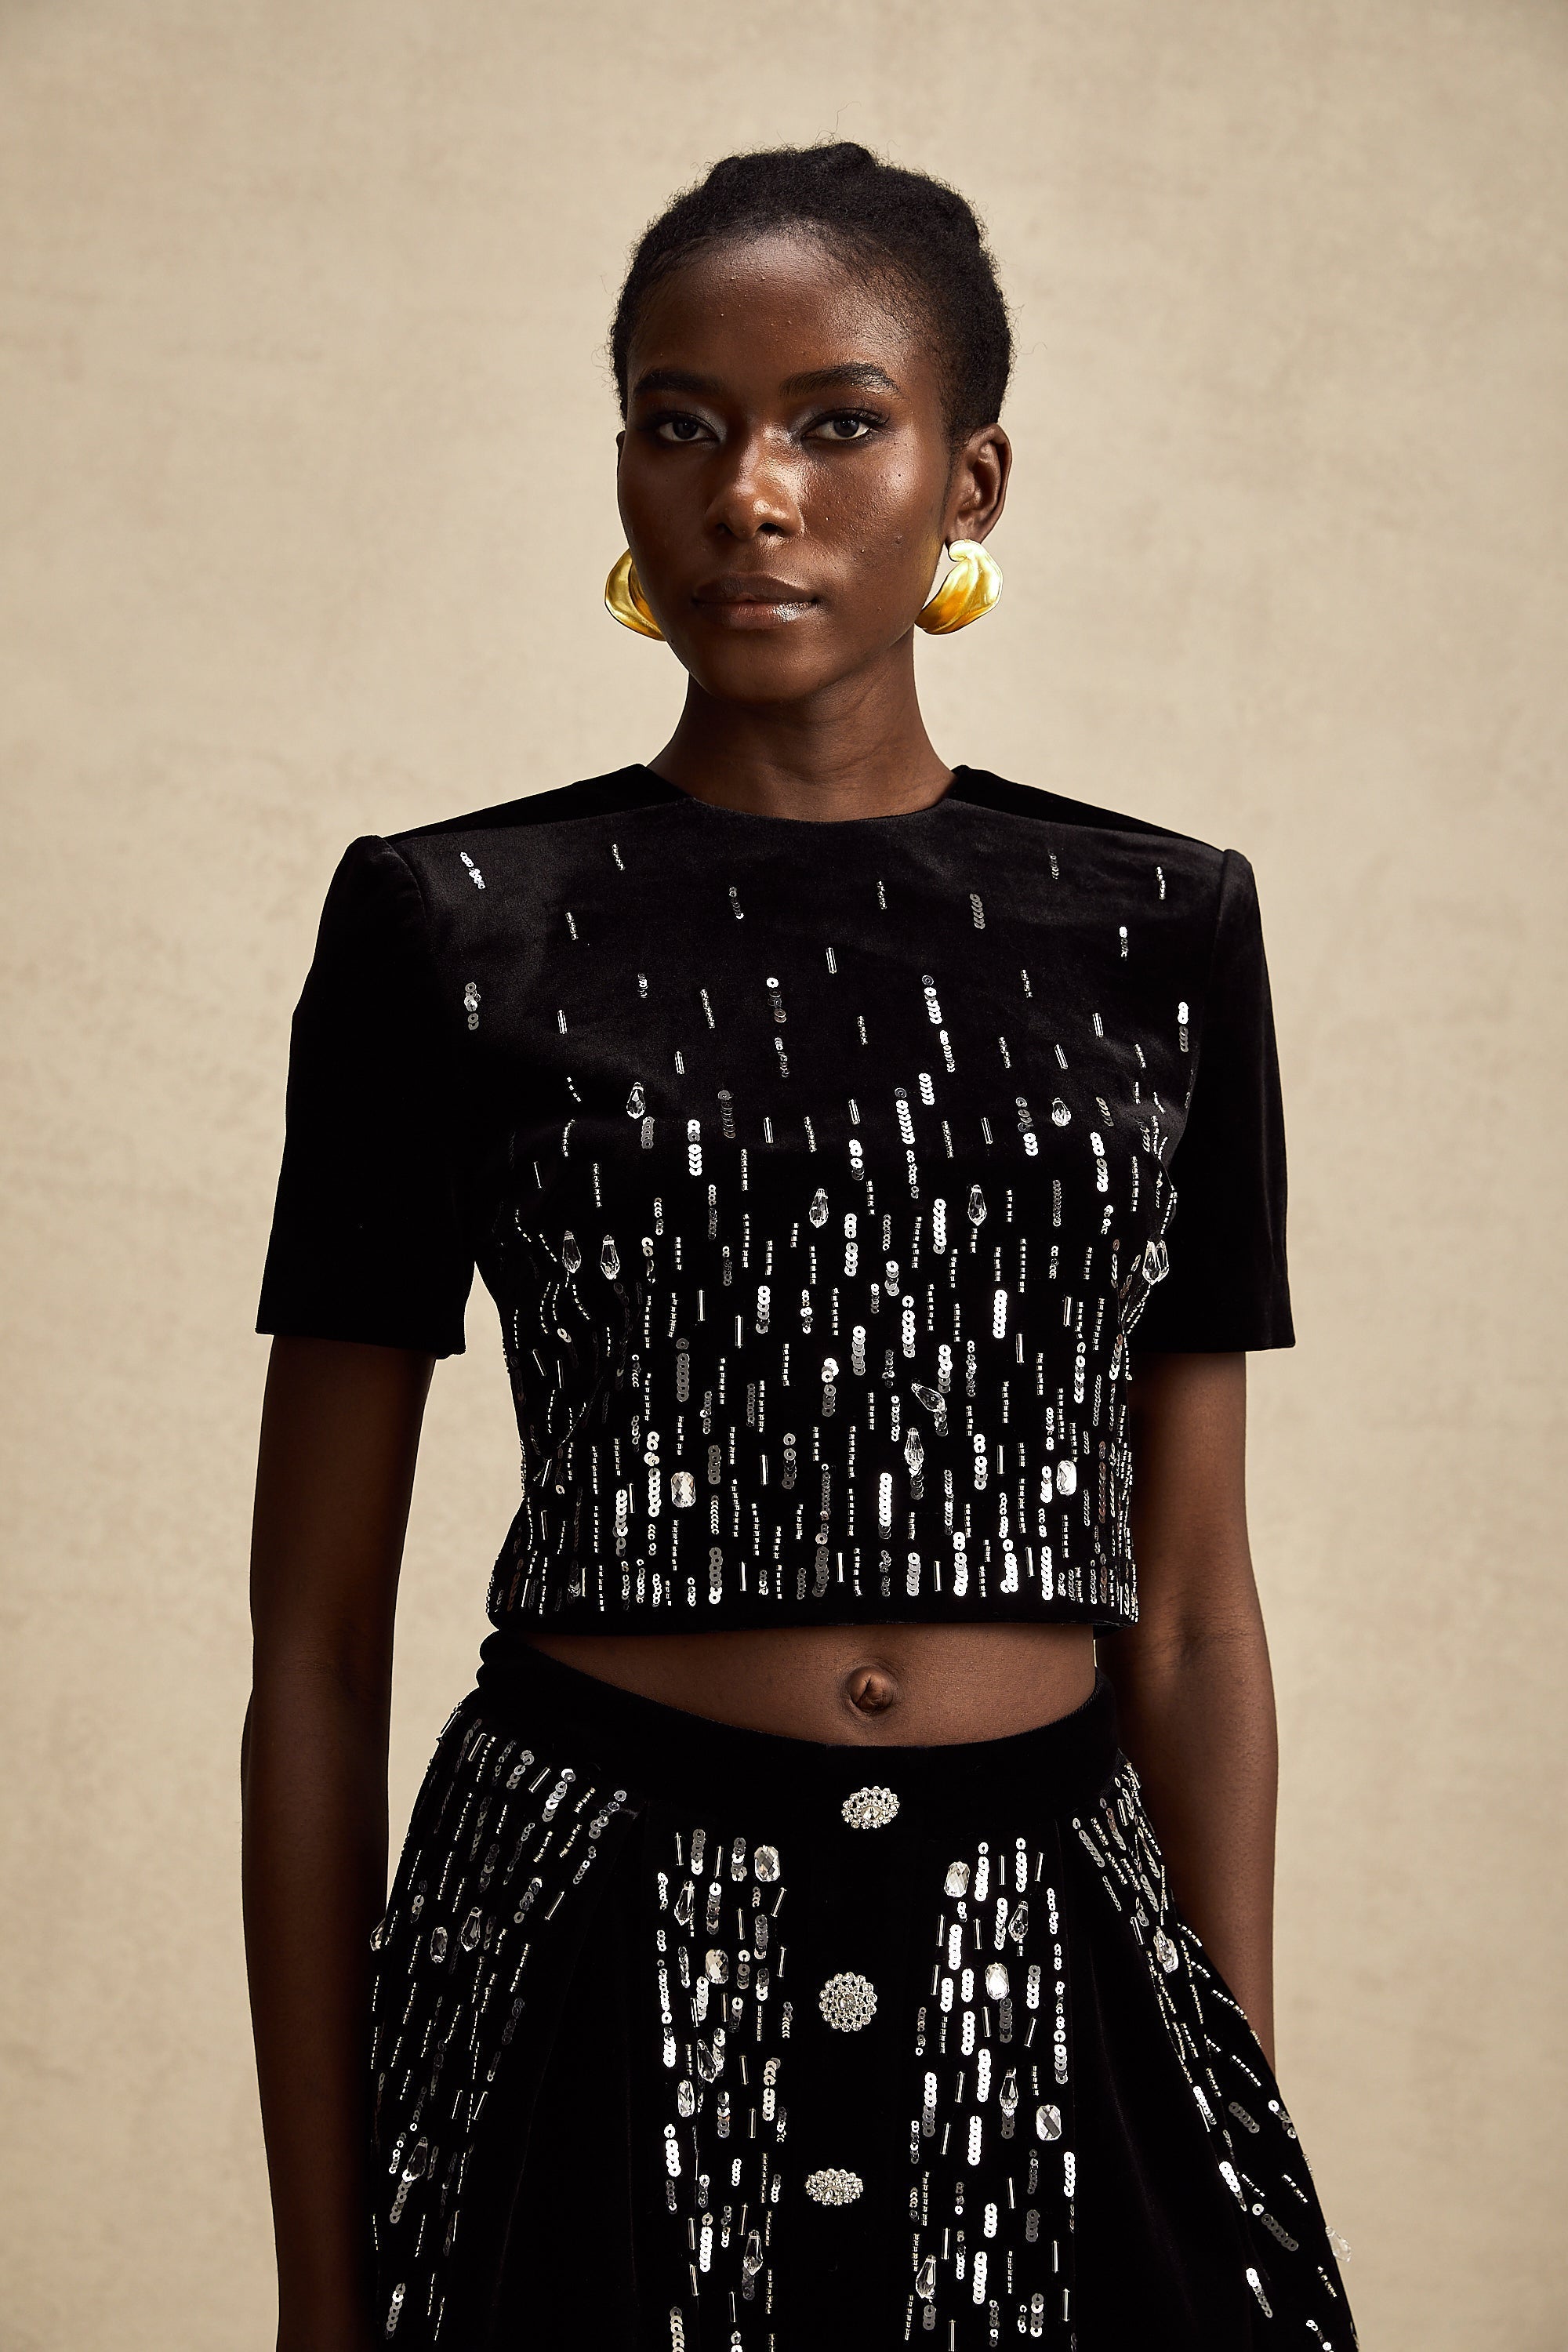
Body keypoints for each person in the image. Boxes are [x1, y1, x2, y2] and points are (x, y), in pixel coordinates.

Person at [244, 143, 1356, 2352]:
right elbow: (313, 1659)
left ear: (972, 480)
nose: (751, 492)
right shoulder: (446, 926)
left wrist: (1236, 2122)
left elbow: (1195, 1616)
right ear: (625, 470)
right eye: (681, 424)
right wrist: (320, 2279)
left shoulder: (1162, 929)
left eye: (839, 423)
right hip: (579, 1964)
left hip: (1053, 1962)